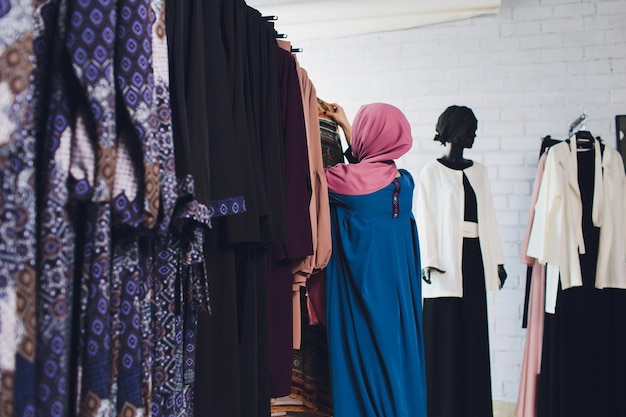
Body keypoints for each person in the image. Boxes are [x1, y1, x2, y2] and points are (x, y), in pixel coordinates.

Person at [323, 102, 427, 417]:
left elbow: (317, 176)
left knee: (366, 364)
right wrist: (345, 126)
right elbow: (372, 159)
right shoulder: (404, 182)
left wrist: (341, 129)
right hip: (397, 298)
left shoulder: (343, 182)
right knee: (395, 361)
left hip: (363, 295)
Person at [416, 105, 506, 417]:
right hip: (443, 266)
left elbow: (489, 219)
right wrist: (427, 259)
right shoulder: (431, 172)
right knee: (442, 340)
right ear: (455, 130)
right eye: (471, 129)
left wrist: (497, 261)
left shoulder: (479, 171)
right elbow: (423, 218)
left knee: (472, 337)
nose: (475, 135)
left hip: (474, 262)